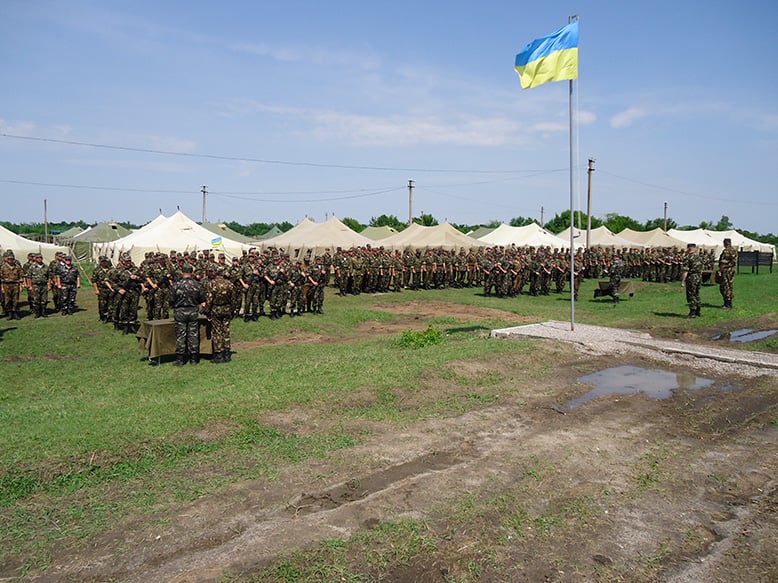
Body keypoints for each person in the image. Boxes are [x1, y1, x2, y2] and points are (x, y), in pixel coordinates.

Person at [170, 263, 205, 365]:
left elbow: (171, 300)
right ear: (192, 272)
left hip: (180, 311)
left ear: (182, 272)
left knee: (181, 335)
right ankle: (194, 358)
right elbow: (202, 300)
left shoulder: (176, 285)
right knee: (193, 334)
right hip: (193, 311)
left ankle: (180, 359)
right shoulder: (197, 284)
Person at [202, 266, 235, 363]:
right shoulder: (229, 284)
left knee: (217, 332)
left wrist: (207, 312)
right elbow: (234, 300)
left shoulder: (211, 284)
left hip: (216, 309)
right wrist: (231, 310)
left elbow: (209, 300)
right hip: (226, 309)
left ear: (215, 273)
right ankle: (227, 353)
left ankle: (219, 354)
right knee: (226, 331)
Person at [681, 243, 703, 318]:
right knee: (697, 293)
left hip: (692, 277)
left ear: (688, 248)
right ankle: (698, 310)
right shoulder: (699, 257)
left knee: (691, 294)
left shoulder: (688, 258)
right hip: (699, 276)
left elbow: (685, 271)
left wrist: (683, 281)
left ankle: (692, 312)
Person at [1, 250, 24, 319]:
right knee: (8, 300)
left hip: (15, 284)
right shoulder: (3, 267)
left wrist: (21, 285)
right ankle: (9, 313)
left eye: (12, 259)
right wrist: (2, 287)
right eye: (9, 259)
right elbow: (1, 278)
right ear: (7, 259)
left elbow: (21, 276)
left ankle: (15, 312)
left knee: (15, 299)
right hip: (6, 285)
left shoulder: (17, 267)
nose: (11, 260)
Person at [717, 238, 737, 309]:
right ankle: (729, 303)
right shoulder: (733, 250)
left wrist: (720, 270)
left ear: (725, 243)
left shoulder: (726, 251)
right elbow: (733, 261)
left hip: (726, 271)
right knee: (730, 286)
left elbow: (723, 263)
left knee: (725, 287)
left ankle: (727, 303)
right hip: (731, 270)